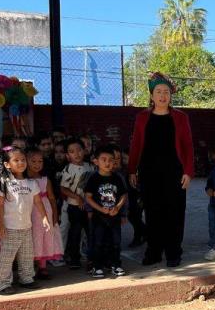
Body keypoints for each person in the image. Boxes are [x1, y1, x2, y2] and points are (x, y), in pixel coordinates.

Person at [127, 72, 194, 268]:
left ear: (170, 95)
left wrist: (188, 172)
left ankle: (174, 252)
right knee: (153, 212)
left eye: (166, 92)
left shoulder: (181, 118)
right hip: (149, 172)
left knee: (174, 213)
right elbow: (136, 144)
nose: (162, 96)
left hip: (175, 172)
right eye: (158, 92)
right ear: (151, 95)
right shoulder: (142, 118)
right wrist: (132, 170)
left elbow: (188, 146)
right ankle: (154, 251)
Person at [0, 147, 50, 295]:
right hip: (10, 228)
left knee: (27, 255)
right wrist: (0, 225)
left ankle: (27, 278)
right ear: (7, 164)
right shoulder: (4, 183)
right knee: (7, 257)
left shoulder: (31, 183)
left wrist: (44, 217)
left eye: (23, 160)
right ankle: (2, 283)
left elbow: (38, 202)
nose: (21, 163)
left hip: (26, 227)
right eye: (16, 160)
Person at [84, 145, 128, 279]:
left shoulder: (117, 178)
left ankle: (115, 265)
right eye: (104, 159)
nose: (108, 163)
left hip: (114, 217)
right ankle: (97, 267)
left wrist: (118, 208)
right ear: (96, 161)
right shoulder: (93, 178)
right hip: (99, 217)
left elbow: (123, 195)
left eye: (111, 160)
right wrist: (99, 209)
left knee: (115, 242)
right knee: (98, 242)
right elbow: (88, 197)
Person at [27, 148, 62, 280]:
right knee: (31, 238)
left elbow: (52, 198)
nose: (37, 164)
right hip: (30, 212)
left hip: (44, 212)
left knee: (44, 237)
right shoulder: (23, 179)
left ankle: (42, 267)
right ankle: (29, 267)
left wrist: (54, 215)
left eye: (40, 161)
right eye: (33, 161)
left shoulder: (45, 179)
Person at [59, 138, 93, 270]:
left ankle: (91, 258)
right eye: (72, 152)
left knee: (90, 233)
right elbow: (63, 188)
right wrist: (77, 197)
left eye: (79, 150)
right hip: (74, 206)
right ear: (68, 156)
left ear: (84, 151)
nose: (77, 154)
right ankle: (74, 258)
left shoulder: (89, 166)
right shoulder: (68, 169)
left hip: (89, 206)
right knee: (75, 233)